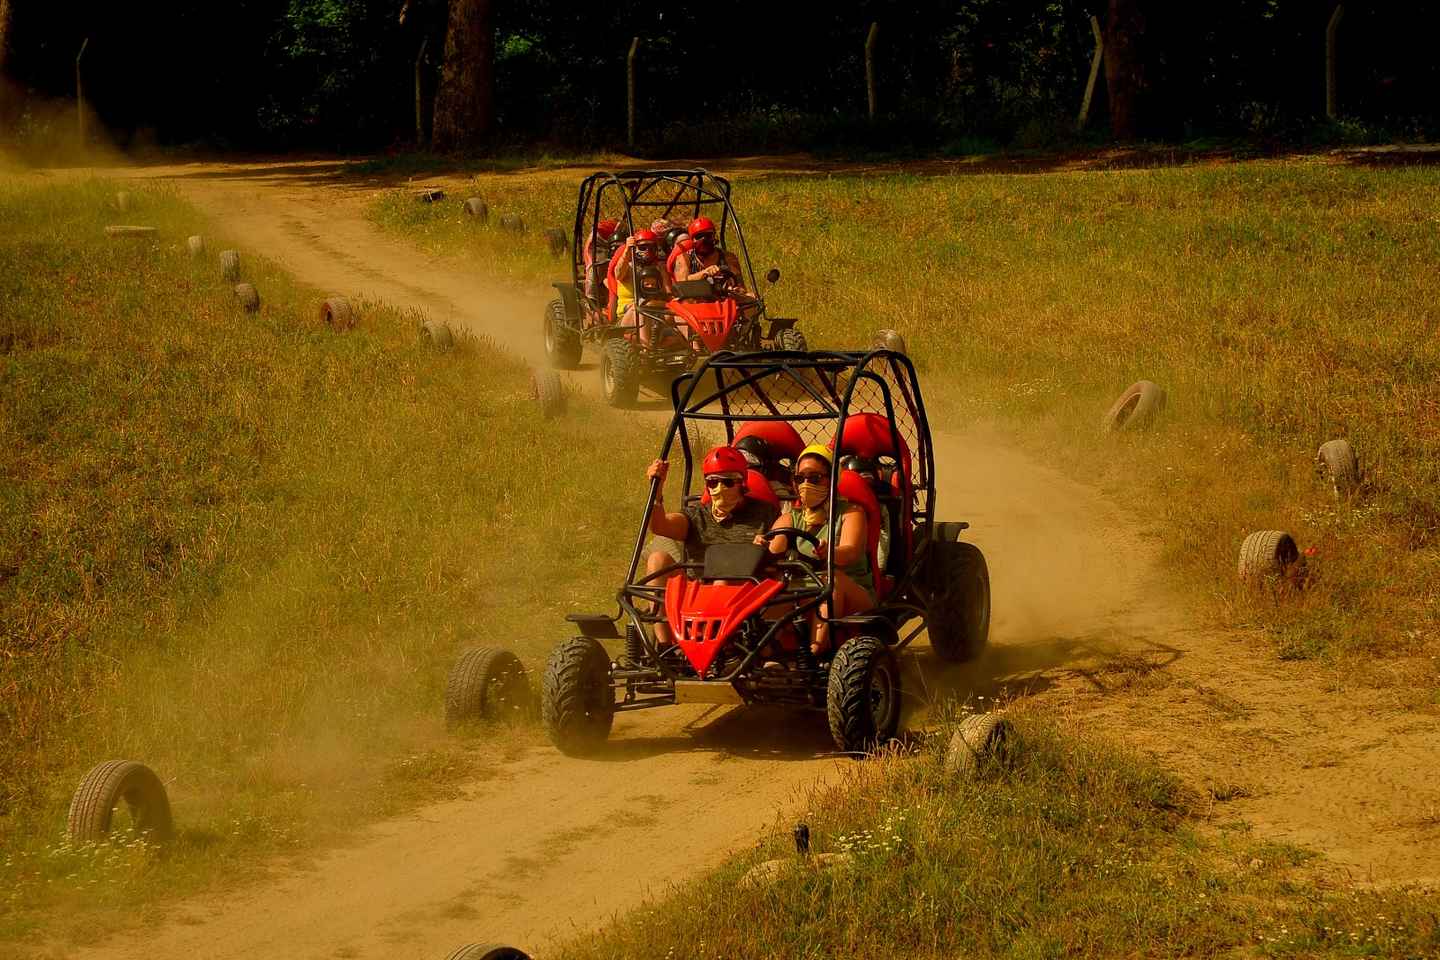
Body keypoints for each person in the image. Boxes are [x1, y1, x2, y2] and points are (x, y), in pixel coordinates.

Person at [644, 445, 781, 647]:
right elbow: (659, 526)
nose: (720, 488)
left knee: (723, 580)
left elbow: (779, 550)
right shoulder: (697, 514)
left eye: (728, 482)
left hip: (743, 599)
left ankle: (724, 648)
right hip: (695, 595)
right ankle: (665, 646)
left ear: (742, 482)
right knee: (657, 559)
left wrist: (764, 547)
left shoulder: (765, 513)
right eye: (713, 482)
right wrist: (656, 492)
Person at [760, 443, 874, 655]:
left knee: (831, 582)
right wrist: (762, 547)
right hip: (803, 590)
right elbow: (772, 551)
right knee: (773, 587)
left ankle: (815, 652)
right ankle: (761, 655)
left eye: (814, 478)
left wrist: (831, 552)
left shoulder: (851, 513)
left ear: (832, 480)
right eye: (799, 479)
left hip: (851, 590)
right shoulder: (791, 518)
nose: (805, 485)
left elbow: (851, 552)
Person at [612, 228, 672, 344]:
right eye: (643, 247)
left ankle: (695, 346)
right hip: (628, 316)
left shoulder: (660, 268)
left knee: (675, 312)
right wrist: (627, 250)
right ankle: (646, 345)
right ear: (635, 249)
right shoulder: (629, 267)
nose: (647, 251)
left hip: (656, 314)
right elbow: (618, 274)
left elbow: (668, 294)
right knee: (641, 307)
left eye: (651, 247)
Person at [671, 216, 746, 294]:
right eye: (699, 236)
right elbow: (682, 285)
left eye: (708, 236)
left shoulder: (728, 257)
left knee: (751, 296)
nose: (704, 240)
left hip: (723, 298)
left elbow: (741, 287)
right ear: (692, 240)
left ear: (714, 236)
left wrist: (736, 290)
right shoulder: (684, 258)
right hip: (694, 299)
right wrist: (705, 273)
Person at [583, 218, 619, 304]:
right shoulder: (598, 234)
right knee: (595, 268)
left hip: (611, 238)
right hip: (598, 241)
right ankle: (591, 301)